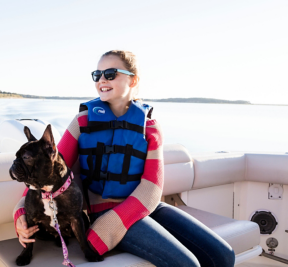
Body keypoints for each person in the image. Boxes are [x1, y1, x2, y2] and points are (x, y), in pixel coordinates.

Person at [13, 50, 235, 267]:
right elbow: (47, 171)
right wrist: (20, 213)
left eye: (110, 74)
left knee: (224, 256)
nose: (101, 80)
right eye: (96, 75)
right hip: (103, 212)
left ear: (133, 79)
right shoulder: (82, 121)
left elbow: (152, 190)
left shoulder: (150, 127)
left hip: (146, 208)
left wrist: (105, 233)